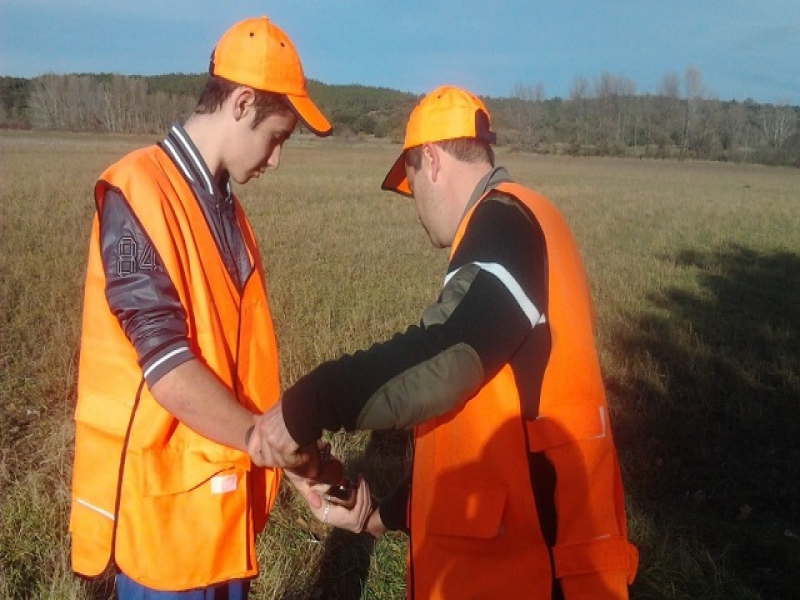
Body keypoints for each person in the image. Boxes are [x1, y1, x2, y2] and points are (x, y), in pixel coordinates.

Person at [257, 85, 640, 598]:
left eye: (411, 183)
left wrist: (308, 403)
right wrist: (379, 515)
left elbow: (448, 356)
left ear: (432, 161)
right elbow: (483, 425)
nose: (416, 209)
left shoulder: (503, 223)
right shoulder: (529, 220)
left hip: (535, 575)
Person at [69, 16, 332, 598]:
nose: (276, 160)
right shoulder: (139, 190)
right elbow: (167, 366)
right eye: (278, 137)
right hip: (165, 534)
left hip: (221, 519)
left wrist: (283, 457)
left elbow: (236, 363)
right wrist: (269, 444)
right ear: (241, 104)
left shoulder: (226, 211)